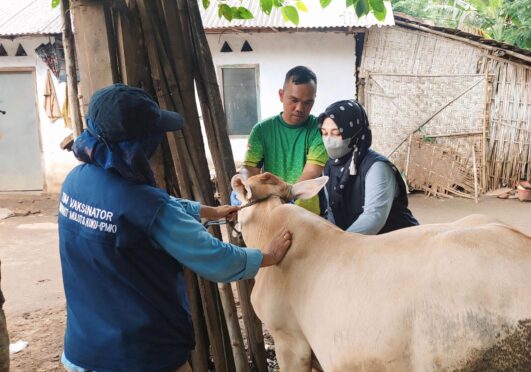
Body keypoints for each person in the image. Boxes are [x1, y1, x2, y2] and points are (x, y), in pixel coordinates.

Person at [57, 84, 291, 372]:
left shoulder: (75, 182)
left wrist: (208, 211)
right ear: (140, 144)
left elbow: (144, 208)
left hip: (82, 352)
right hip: (141, 358)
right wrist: (268, 256)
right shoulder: (149, 208)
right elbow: (217, 260)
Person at [318, 100, 419, 235]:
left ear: (354, 132)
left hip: (398, 245)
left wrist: (341, 245)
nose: (329, 140)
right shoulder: (329, 168)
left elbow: (374, 217)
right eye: (324, 133)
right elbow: (330, 211)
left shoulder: (377, 168)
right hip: (357, 246)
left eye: (336, 133)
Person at [239, 66, 328, 214]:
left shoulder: (318, 129)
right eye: (294, 100)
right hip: (271, 210)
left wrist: (288, 195)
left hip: (307, 215)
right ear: (281, 95)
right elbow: (250, 169)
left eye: (308, 102)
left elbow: (312, 171)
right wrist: (243, 187)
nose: (300, 108)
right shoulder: (261, 130)